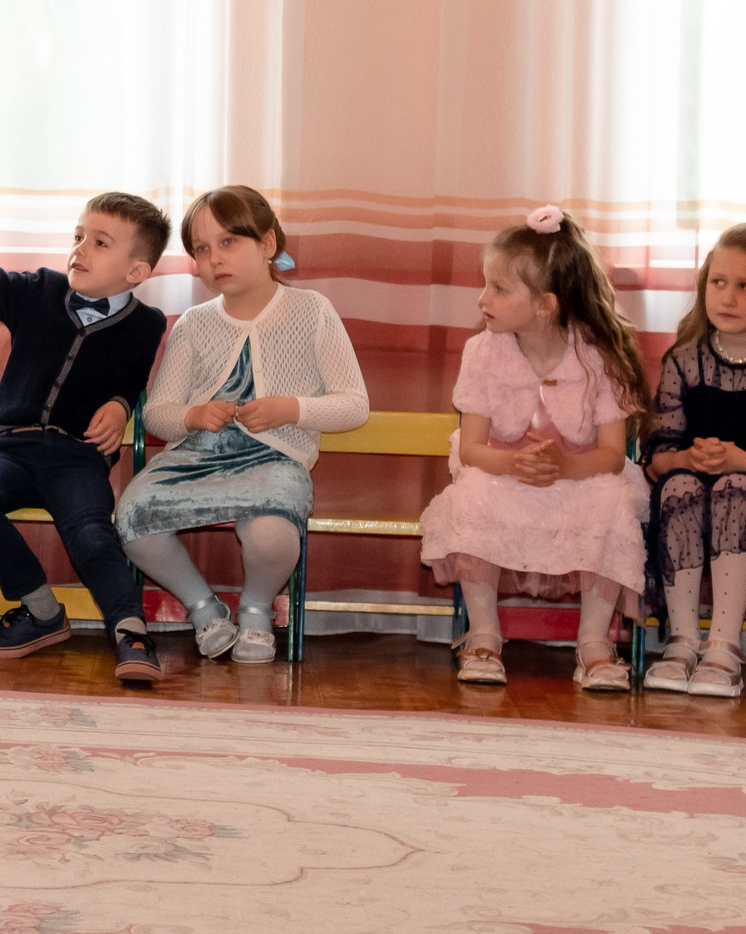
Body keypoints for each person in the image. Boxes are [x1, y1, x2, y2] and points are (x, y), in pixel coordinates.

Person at [115, 187, 369, 664]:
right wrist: (193, 416)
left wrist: (291, 409)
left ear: (268, 244)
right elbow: (158, 414)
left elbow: (354, 405)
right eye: (202, 249)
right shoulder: (193, 323)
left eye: (229, 242)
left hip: (277, 459)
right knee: (133, 520)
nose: (214, 259)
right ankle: (204, 609)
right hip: (198, 457)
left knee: (273, 535)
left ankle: (255, 609)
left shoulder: (312, 311)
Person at [0, 174, 171, 683]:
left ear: (136, 270)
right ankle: (42, 610)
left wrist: (119, 405)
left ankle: (132, 632)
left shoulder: (147, 323)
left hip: (77, 457)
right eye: (78, 236)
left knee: (91, 533)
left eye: (100, 242)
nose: (80, 250)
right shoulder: (38, 291)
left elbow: (132, 380)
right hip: (12, 449)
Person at [419, 207, 651, 691]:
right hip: (503, 472)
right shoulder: (482, 352)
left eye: (499, 290)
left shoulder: (599, 356)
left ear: (545, 305)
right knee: (473, 495)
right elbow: (473, 450)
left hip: (579, 477)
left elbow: (612, 455)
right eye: (485, 285)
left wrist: (565, 467)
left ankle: (594, 644)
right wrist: (514, 463)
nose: (483, 299)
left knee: (611, 501)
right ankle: (483, 636)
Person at [638, 224, 746, 699]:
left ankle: (724, 645)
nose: (728, 297)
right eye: (718, 282)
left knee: (732, 489)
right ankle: (681, 641)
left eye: (745, 286)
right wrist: (688, 457)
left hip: (739, 497)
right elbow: (657, 459)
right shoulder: (683, 361)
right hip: (686, 492)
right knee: (681, 487)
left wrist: (737, 458)